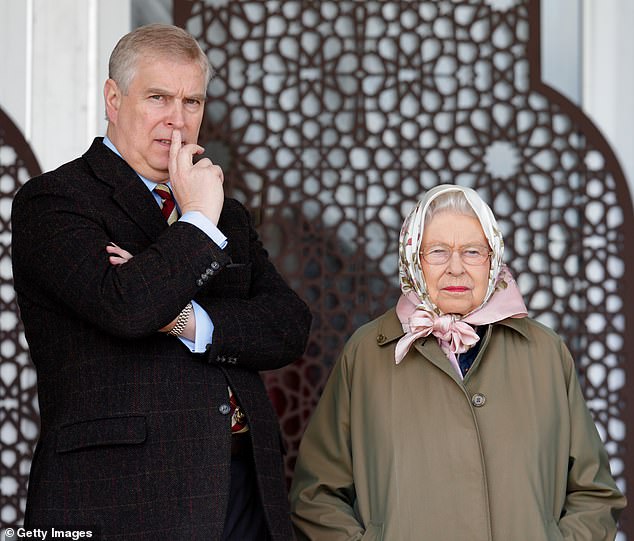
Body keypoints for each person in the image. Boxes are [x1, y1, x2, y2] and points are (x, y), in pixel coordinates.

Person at [11, 23, 311, 540]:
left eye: (191, 101)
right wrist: (196, 222)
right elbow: (126, 307)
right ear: (113, 97)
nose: (177, 120)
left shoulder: (227, 214)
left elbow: (288, 326)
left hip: (242, 486)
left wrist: (189, 319)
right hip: (119, 495)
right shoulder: (53, 201)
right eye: (158, 97)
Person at [289, 184, 625, 540]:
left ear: (493, 259)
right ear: (412, 258)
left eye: (472, 251)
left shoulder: (544, 352)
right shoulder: (368, 353)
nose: (456, 268)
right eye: (437, 251)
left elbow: (595, 493)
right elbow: (316, 495)